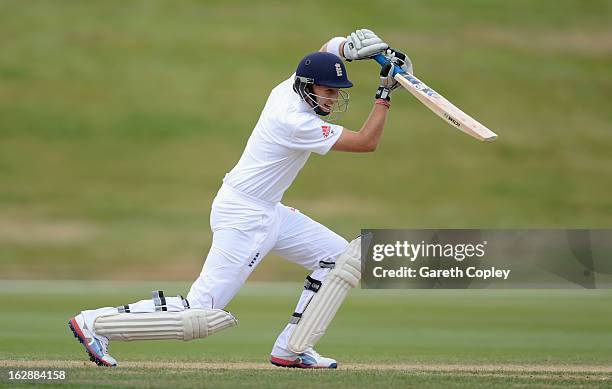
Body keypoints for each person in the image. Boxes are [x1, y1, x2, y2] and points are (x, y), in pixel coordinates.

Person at [68, 29, 411, 369]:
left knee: (340, 259)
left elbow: (324, 51)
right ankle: (95, 323)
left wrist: (346, 47)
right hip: (245, 215)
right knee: (200, 312)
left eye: (337, 92)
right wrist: (384, 93)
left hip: (267, 209)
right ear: (308, 89)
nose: (333, 99)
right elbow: (367, 142)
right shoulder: (293, 121)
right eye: (328, 92)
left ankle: (293, 348)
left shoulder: (287, 88)